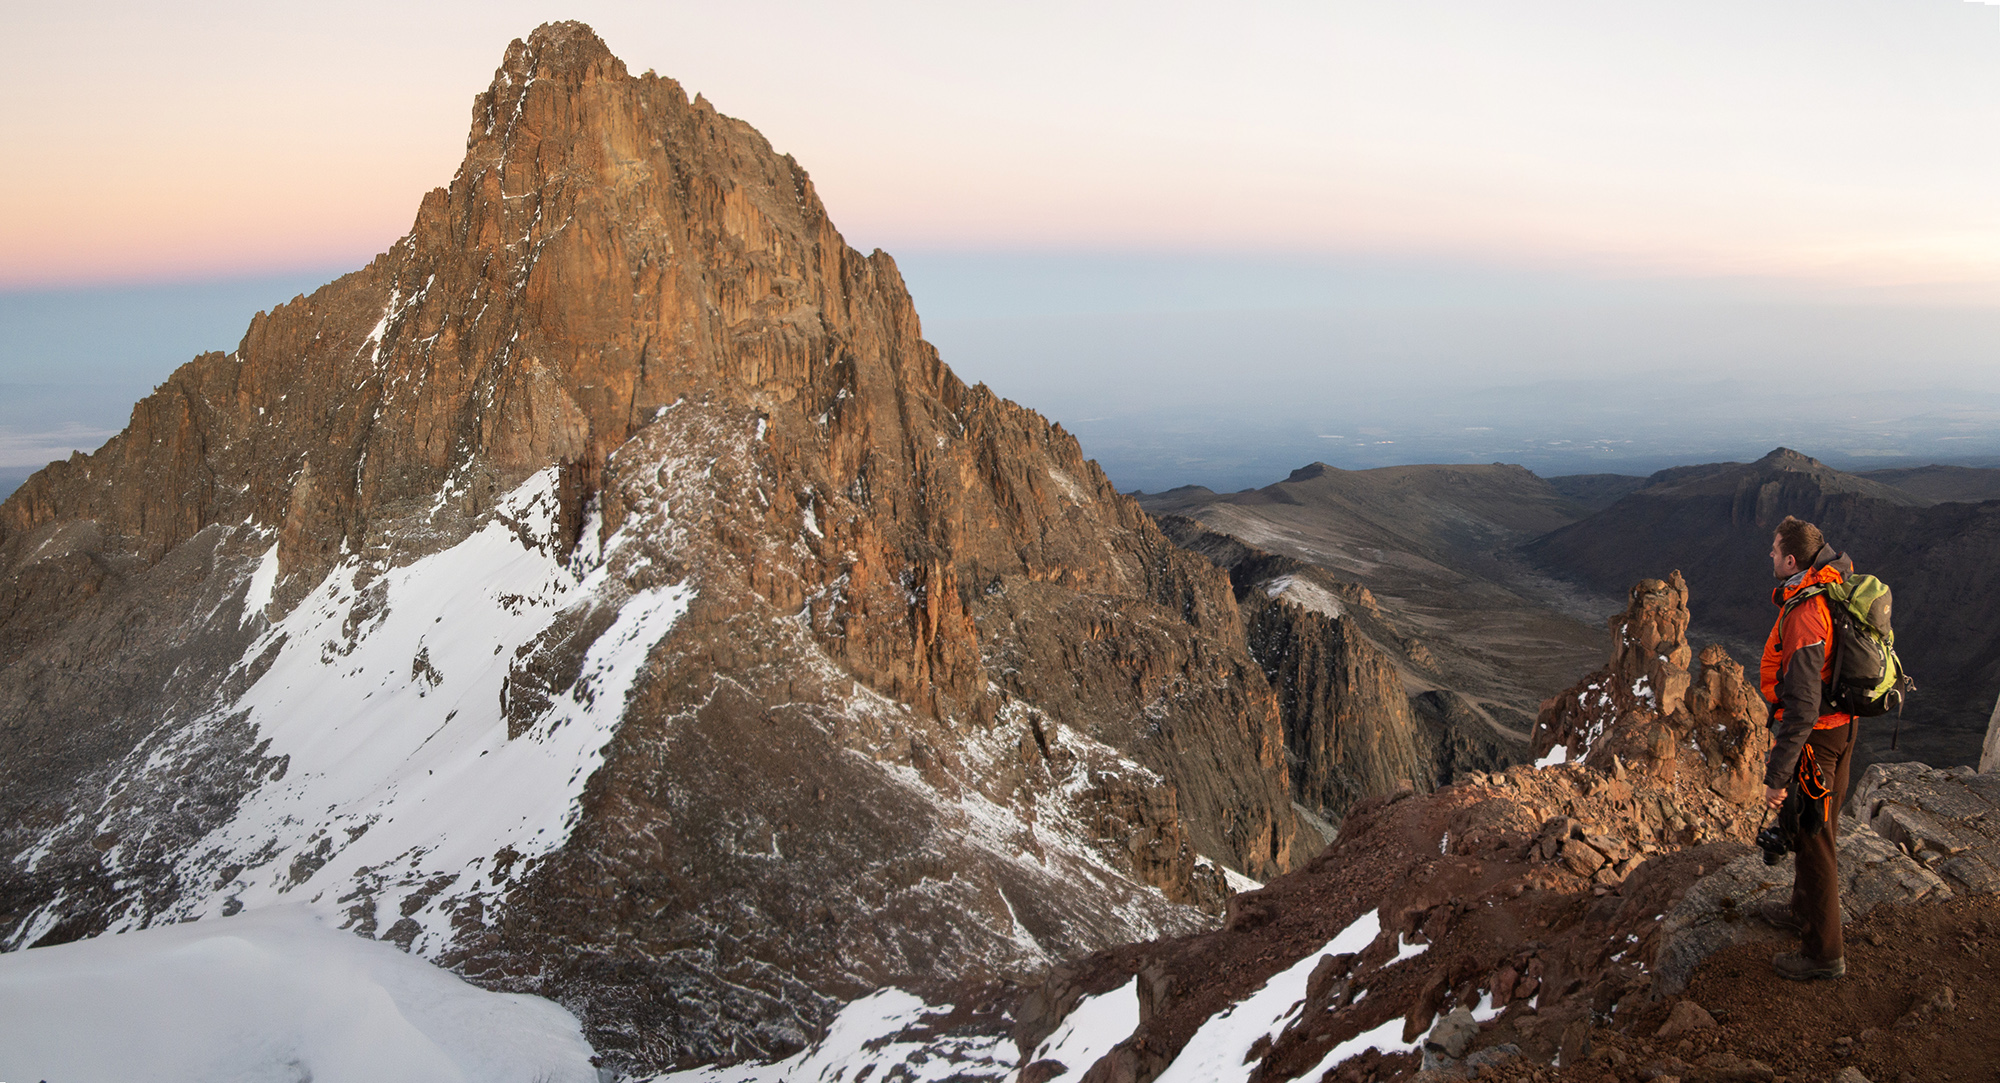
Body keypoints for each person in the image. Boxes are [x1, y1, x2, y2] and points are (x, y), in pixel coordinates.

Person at [1757, 515, 1855, 980]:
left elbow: (1801, 708)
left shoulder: (1804, 612)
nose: (1770, 557)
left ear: (1792, 559)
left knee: (1815, 842)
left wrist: (1776, 777)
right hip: (1842, 728)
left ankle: (1824, 955)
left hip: (1819, 737)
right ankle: (1801, 910)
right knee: (1815, 826)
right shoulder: (1833, 581)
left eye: (1775, 551)